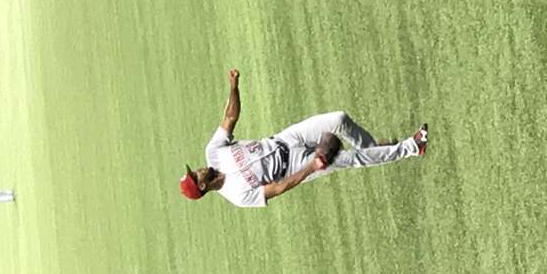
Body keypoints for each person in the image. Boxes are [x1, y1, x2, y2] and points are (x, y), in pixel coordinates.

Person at [179, 69, 428, 207]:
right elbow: (279, 187)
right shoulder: (237, 196)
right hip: (297, 165)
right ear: (202, 186)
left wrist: (233, 87)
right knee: (351, 159)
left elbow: (229, 118)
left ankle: (374, 150)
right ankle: (411, 147)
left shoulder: (213, 152)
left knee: (339, 119)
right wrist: (311, 167)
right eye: (195, 175)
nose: (198, 169)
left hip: (285, 139)